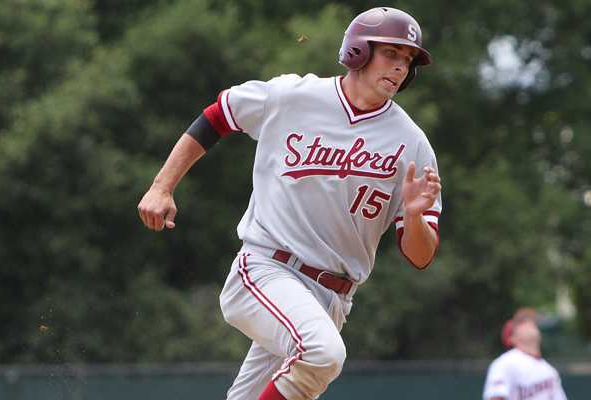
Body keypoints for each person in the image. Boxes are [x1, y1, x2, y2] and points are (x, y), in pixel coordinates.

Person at [136, 7, 442, 400]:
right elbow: (218, 115)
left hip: (334, 299)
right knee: (323, 354)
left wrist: (414, 217)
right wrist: (162, 187)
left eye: (408, 60)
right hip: (266, 270)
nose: (400, 67)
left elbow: (419, 255)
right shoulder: (293, 96)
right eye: (391, 54)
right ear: (358, 52)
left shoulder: (411, 144)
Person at [483, 308, 568, 400]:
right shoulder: (506, 363)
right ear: (512, 338)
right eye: (522, 324)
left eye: (531, 323)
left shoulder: (549, 370)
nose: (530, 325)